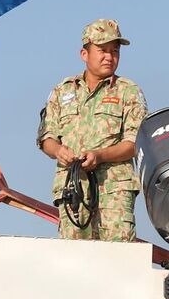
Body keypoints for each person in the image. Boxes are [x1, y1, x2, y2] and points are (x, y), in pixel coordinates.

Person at [37, 19, 147, 241]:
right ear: (84, 54)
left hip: (114, 189)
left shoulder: (128, 91)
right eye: (103, 50)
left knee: (119, 256)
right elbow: (46, 138)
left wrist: (100, 156)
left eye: (114, 51)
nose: (109, 56)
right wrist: (59, 151)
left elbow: (135, 143)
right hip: (73, 188)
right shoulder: (62, 91)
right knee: (75, 260)